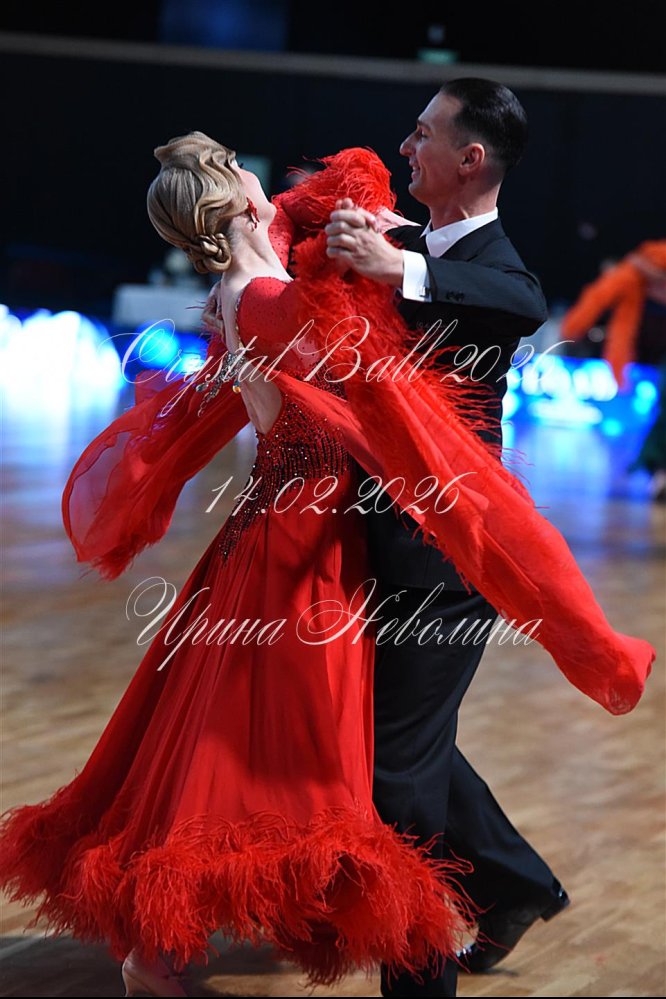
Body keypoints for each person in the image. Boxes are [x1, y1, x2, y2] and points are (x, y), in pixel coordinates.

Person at [0, 132, 653, 999]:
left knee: (251, 731)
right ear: (233, 199)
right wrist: (377, 259)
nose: (259, 176)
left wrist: (361, 236)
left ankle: (175, 938)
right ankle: (179, 942)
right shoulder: (269, 296)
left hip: (285, 523)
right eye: (241, 171)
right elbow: (357, 374)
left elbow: (300, 237)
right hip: (305, 538)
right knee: (285, 739)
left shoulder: (244, 285)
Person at [320, 78, 607, 993]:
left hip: (442, 562)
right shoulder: (409, 243)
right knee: (408, 741)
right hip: (370, 542)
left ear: (470, 158)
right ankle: (514, 886)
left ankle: (420, 972)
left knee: (392, 776)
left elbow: (520, 302)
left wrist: (395, 266)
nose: (406, 146)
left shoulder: (493, 270)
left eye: (422, 133)